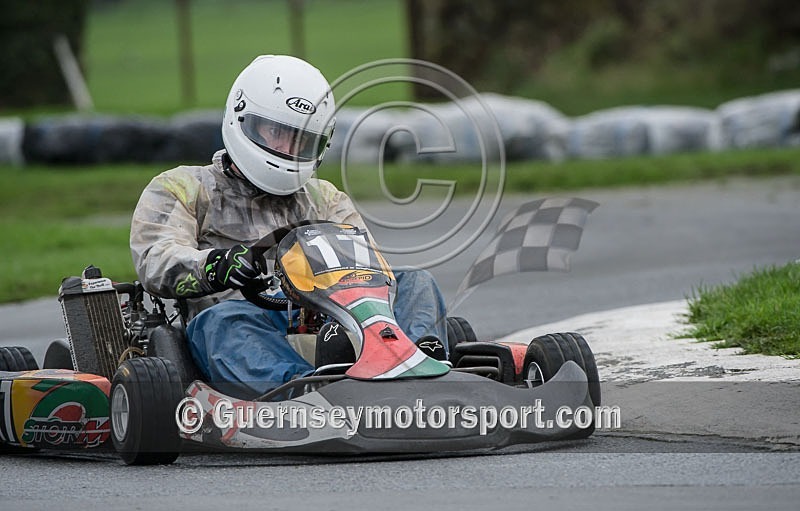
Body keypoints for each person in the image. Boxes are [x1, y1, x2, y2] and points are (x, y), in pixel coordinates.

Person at [130, 55, 448, 398]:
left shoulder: (325, 198)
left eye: (301, 140)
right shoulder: (184, 187)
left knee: (415, 282)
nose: (286, 148)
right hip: (243, 322)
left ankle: (415, 362)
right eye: (276, 132)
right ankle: (304, 391)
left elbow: (370, 269)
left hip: (330, 319)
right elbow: (156, 258)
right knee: (221, 321)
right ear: (242, 118)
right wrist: (215, 265)